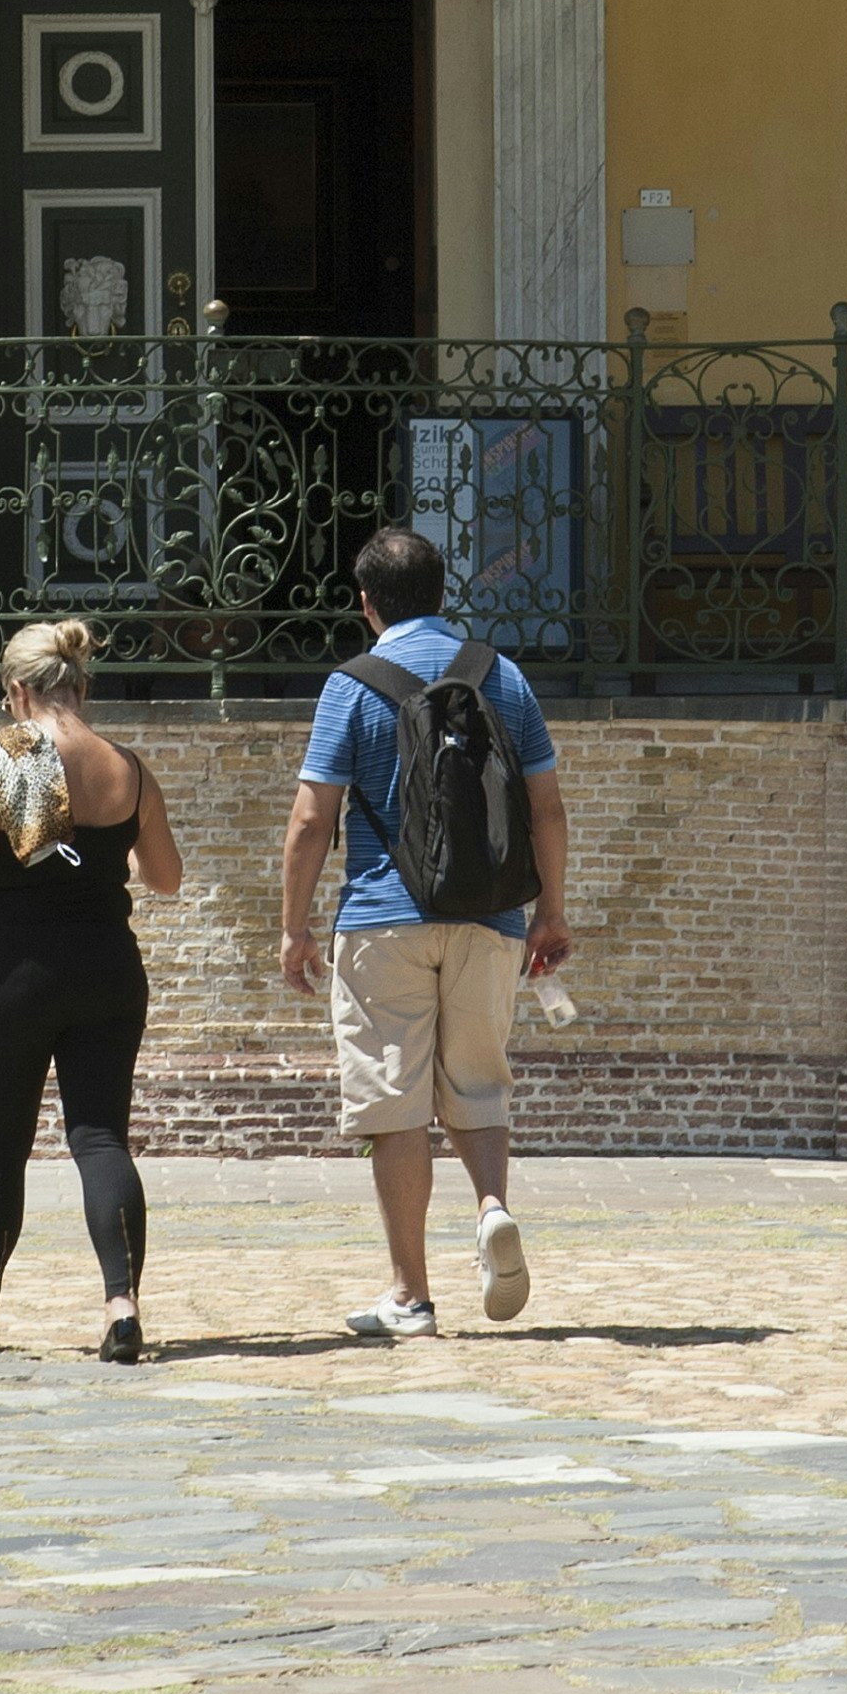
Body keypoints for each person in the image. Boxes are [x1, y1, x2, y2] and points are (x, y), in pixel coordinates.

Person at [278, 528, 575, 1338]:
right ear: (444, 592)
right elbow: (546, 806)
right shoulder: (501, 676)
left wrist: (294, 927)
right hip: (489, 918)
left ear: (366, 602)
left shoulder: (351, 685)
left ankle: (409, 1295)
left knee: (393, 1100)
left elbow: (313, 816)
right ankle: (489, 1209)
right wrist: (550, 912)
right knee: (477, 1080)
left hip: (382, 919)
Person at [0, 616, 181, 1360]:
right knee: (100, 1137)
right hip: (110, 970)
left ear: (19, 689)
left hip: (18, 974)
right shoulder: (128, 766)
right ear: (81, 686)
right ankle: (121, 1306)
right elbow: (166, 876)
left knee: (0, 1149)